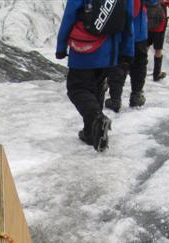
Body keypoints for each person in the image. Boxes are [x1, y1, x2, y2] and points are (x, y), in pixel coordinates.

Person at [56, 0, 134, 152]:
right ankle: (91, 134)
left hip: (84, 49)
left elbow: (70, 16)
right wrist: (127, 50)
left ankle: (96, 119)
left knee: (77, 89)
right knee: (96, 88)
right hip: (110, 51)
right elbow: (128, 20)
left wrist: (61, 46)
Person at [105, 0, 159, 112]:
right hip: (138, 31)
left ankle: (115, 99)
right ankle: (136, 95)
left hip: (118, 29)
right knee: (139, 63)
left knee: (118, 63)